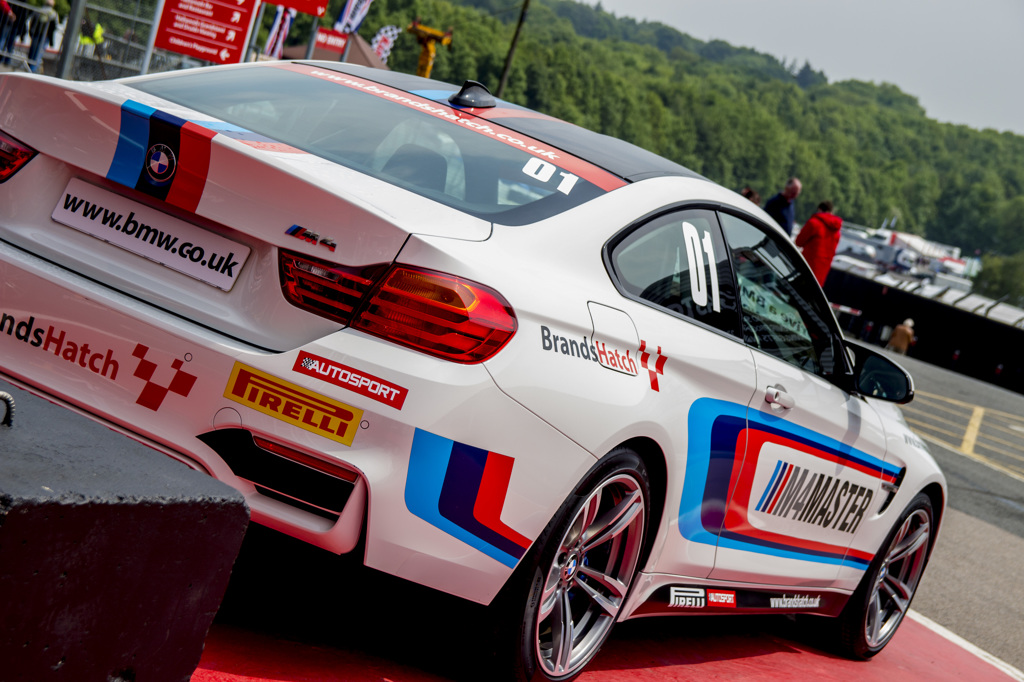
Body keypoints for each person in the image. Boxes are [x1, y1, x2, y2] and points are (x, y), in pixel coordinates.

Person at [794, 200, 842, 286]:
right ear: (831, 211)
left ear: (819, 209)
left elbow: (799, 242)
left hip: (806, 269)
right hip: (821, 274)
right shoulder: (837, 231)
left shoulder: (814, 223)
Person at [27, 0, 57, 73]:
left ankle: (30, 68)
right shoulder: (54, 14)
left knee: (33, 51)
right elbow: (54, 27)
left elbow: (32, 22)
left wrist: (31, 32)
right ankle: (32, 69)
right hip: (44, 36)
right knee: (38, 53)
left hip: (36, 34)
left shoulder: (39, 11)